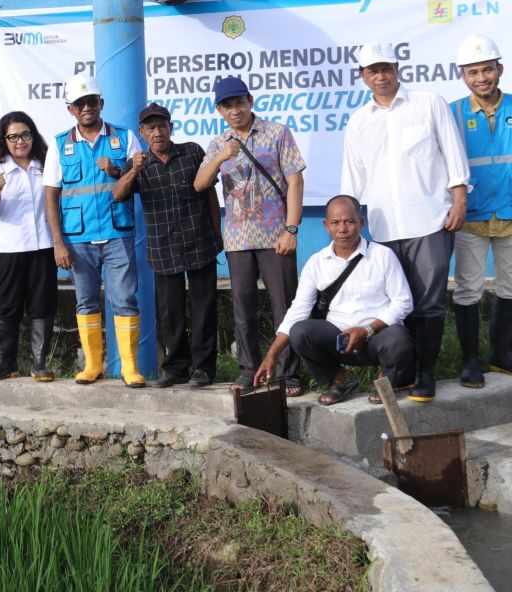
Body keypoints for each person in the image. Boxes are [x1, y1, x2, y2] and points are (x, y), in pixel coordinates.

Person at [342, 42, 469, 403]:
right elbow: (352, 179)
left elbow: (453, 153)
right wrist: (351, 227)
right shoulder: (359, 120)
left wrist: (459, 198)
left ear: (397, 68)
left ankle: (426, 374)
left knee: (429, 305)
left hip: (430, 221)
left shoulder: (429, 103)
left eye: (386, 68)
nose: (380, 76)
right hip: (383, 229)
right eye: (372, 71)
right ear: (363, 76)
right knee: (395, 305)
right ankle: (401, 374)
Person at [194, 75, 306, 396]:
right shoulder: (219, 143)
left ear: (250, 101)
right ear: (219, 109)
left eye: (239, 103)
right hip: (238, 240)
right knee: (243, 308)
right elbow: (200, 184)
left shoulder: (277, 133)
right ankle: (249, 370)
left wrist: (292, 228)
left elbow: (295, 182)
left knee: (284, 306)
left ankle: (288, 374)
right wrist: (219, 157)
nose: (235, 110)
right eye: (227, 105)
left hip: (276, 237)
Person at [255, 195, 414, 406]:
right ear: (326, 225)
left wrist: (367, 330)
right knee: (300, 332)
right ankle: (339, 381)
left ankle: (387, 380)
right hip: (339, 342)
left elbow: (403, 302)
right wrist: (272, 355)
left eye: (349, 221)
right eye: (335, 223)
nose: (342, 229)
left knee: (398, 337)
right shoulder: (317, 263)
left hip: (376, 338)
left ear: (361, 223)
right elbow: (298, 311)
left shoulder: (383, 256)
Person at [44, 73, 146, 387]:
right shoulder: (59, 145)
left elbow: (136, 182)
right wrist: (58, 243)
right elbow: (51, 196)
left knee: (125, 300)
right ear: (70, 109)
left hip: (117, 234)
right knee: (86, 302)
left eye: (91, 101)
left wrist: (118, 171)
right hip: (77, 239)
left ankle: (130, 368)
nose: (86, 107)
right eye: (79, 103)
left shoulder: (125, 138)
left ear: (100, 103)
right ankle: (92, 365)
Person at [114, 103, 222, 387]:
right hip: (163, 248)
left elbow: (210, 194)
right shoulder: (138, 163)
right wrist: (134, 171)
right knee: (169, 311)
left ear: (170, 127)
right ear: (142, 133)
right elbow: (118, 194)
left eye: (162, 126)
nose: (157, 132)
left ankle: (204, 368)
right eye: (151, 128)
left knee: (203, 308)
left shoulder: (192, 152)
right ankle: (175, 367)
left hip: (200, 241)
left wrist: (217, 232)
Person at [0, 111, 58, 382]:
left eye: (25, 135)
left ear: (33, 136)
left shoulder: (45, 165)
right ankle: (6, 362)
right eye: (13, 136)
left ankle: (39, 363)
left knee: (42, 305)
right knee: (8, 306)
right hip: (10, 248)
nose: (20, 141)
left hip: (43, 246)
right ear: (5, 140)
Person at [450, 34, 512, 386]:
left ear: (499, 69)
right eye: (473, 72)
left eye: (487, 69)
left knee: (510, 286)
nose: (481, 78)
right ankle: (470, 361)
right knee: (468, 289)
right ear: (463, 75)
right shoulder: (453, 112)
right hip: (470, 215)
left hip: (510, 211)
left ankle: (502, 355)